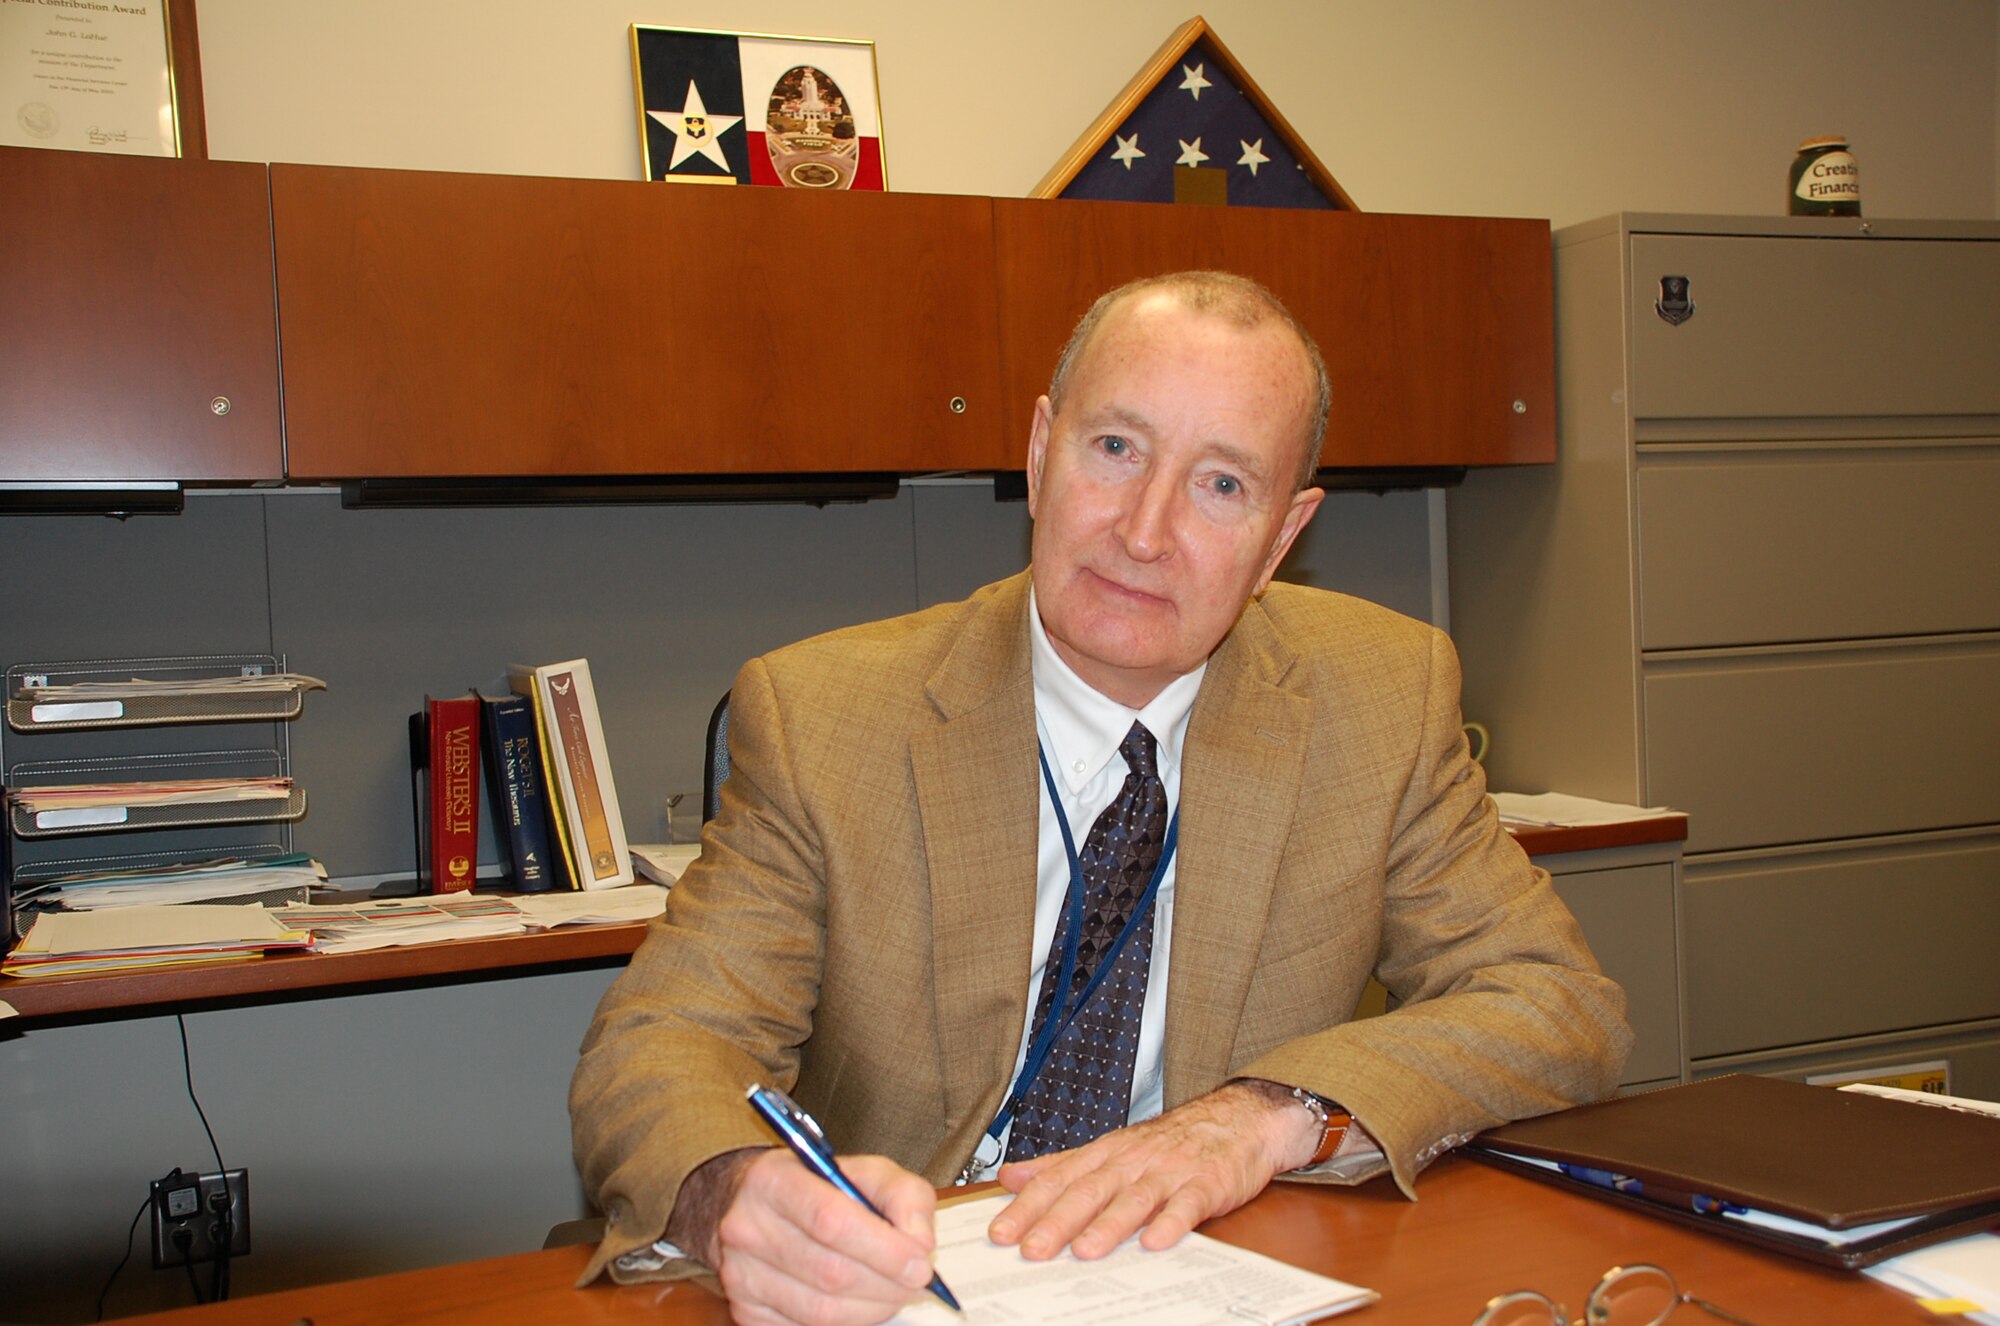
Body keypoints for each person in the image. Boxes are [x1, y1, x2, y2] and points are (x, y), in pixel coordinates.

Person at [571, 271, 1631, 1325]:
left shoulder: (1380, 698)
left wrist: (1272, 1117)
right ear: (1040, 455)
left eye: (1220, 485)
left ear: (1279, 538)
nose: (1143, 530)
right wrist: (732, 1191)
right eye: (1114, 449)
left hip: (1212, 1275)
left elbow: (1551, 1003)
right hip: (906, 1288)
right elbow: (664, 1040)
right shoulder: (823, 716)